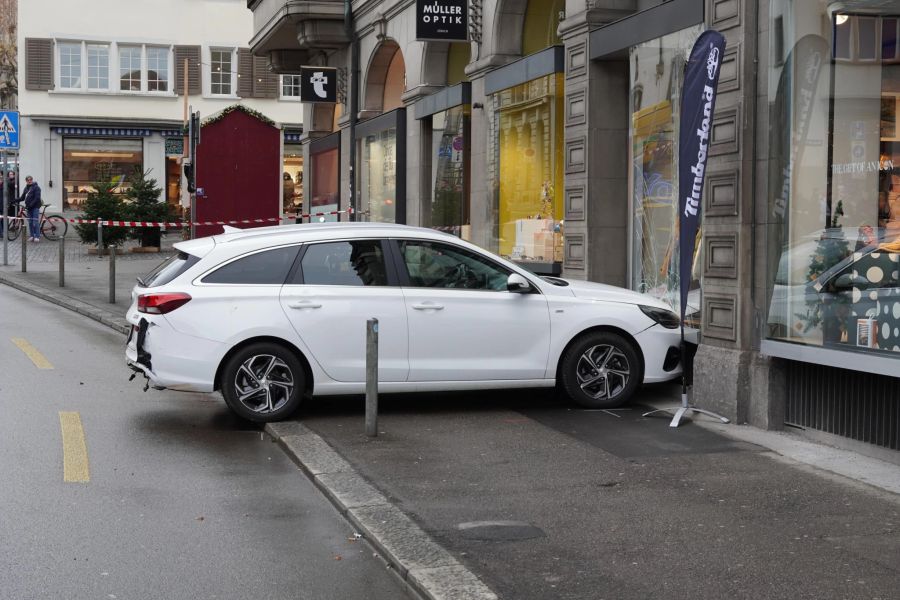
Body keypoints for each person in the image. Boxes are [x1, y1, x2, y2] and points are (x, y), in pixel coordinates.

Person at [19, 175, 42, 242]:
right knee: (30, 222)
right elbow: (22, 198)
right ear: (26, 181)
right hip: (29, 208)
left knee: (35, 222)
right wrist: (13, 201)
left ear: (32, 180)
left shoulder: (36, 187)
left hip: (35, 207)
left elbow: (37, 198)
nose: (29, 181)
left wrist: (30, 205)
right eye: (28, 180)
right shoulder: (26, 188)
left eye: (30, 180)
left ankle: (37, 236)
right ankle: (32, 236)